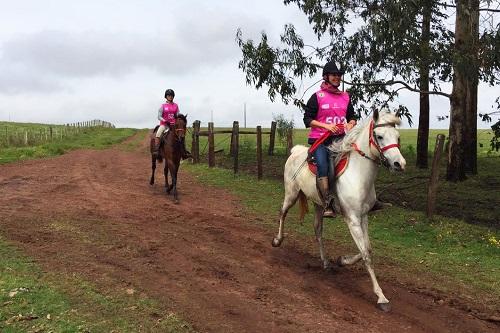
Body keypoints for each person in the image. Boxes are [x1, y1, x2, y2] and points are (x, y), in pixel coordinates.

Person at [303, 60, 357, 217]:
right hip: (320, 140)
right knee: (323, 164)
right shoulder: (317, 97)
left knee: (359, 158)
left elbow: (352, 116)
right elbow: (307, 119)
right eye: (334, 75)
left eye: (339, 75)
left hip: (340, 139)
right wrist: (326, 127)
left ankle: (364, 198)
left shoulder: (345, 97)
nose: (337, 78)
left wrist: (351, 124)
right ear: (326, 76)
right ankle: (327, 202)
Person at [153, 89, 191, 159]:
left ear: (173, 96)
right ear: (166, 96)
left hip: (173, 125)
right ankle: (156, 150)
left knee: (181, 135)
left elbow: (177, 114)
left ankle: (184, 152)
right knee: (158, 134)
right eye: (168, 95)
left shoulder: (175, 105)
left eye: (171, 95)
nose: (170, 97)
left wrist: (181, 118)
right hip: (164, 125)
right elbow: (159, 116)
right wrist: (165, 120)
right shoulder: (163, 106)